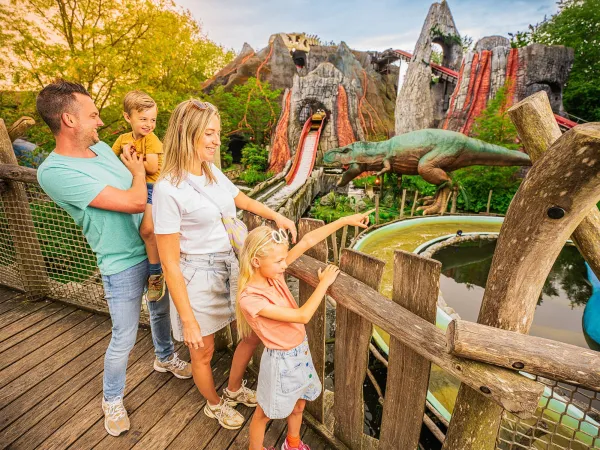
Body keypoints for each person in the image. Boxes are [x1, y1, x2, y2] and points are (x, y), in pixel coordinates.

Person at [35, 79, 191, 438]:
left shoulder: (103, 148)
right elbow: (136, 199)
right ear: (69, 120)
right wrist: (138, 174)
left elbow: (146, 186)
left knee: (160, 310)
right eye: (93, 115)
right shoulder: (54, 172)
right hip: (120, 261)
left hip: (154, 249)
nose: (101, 121)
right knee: (124, 334)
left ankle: (165, 357)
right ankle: (112, 398)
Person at [152, 99, 298, 430]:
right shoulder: (167, 189)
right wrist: (187, 319)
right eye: (210, 133)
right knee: (202, 351)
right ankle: (214, 404)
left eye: (217, 133)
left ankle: (233, 389)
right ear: (187, 133)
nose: (217, 140)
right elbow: (170, 263)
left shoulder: (211, 171)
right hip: (197, 275)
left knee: (250, 333)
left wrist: (275, 215)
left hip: (232, 266)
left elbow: (239, 199)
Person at [237, 213, 371, 450]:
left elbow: (307, 241)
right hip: (281, 362)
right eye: (279, 261)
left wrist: (344, 221)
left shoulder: (274, 274)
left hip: (300, 353)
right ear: (256, 261)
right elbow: (302, 316)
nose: (285, 265)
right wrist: (324, 283)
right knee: (264, 413)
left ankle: (293, 444)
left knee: (299, 404)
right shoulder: (251, 298)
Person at [112, 91, 165, 301]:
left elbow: (151, 167)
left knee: (147, 230)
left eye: (153, 120)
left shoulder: (152, 140)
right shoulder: (123, 139)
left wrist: (129, 159)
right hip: (133, 185)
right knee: (131, 229)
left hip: (152, 187)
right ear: (128, 117)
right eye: (143, 119)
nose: (149, 124)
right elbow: (110, 159)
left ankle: (156, 274)